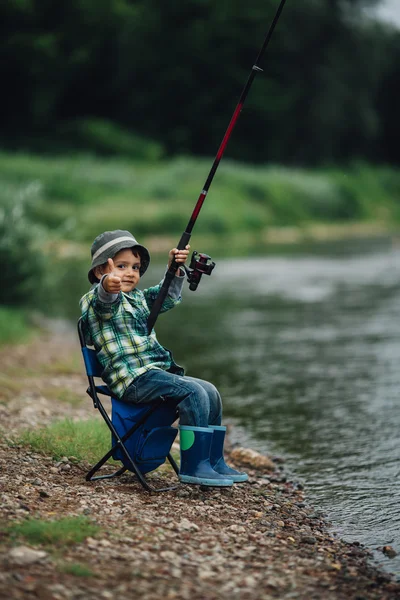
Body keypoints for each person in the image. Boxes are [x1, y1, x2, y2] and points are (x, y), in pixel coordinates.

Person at [80, 229, 248, 486]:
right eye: (121, 266)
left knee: (210, 391)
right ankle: (194, 466)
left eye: (135, 267)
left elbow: (166, 297)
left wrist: (175, 269)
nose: (129, 273)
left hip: (153, 374)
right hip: (132, 380)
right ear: (98, 271)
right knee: (192, 392)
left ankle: (213, 462)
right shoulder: (95, 300)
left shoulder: (137, 298)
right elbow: (105, 302)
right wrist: (107, 286)